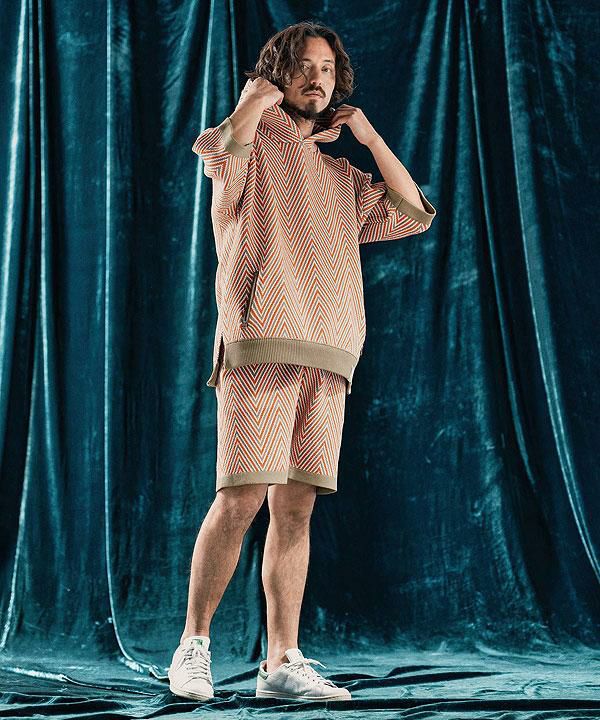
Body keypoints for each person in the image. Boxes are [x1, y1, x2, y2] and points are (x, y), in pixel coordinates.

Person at [168, 20, 436, 703]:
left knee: (295, 511)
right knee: (240, 498)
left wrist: (369, 138)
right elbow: (217, 154)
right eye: (304, 66)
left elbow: (412, 212)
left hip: (332, 351)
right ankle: (193, 645)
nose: (317, 77)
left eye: (326, 68)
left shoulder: (341, 174)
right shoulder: (251, 141)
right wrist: (251, 103)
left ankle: (281, 662)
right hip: (261, 343)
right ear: (276, 73)